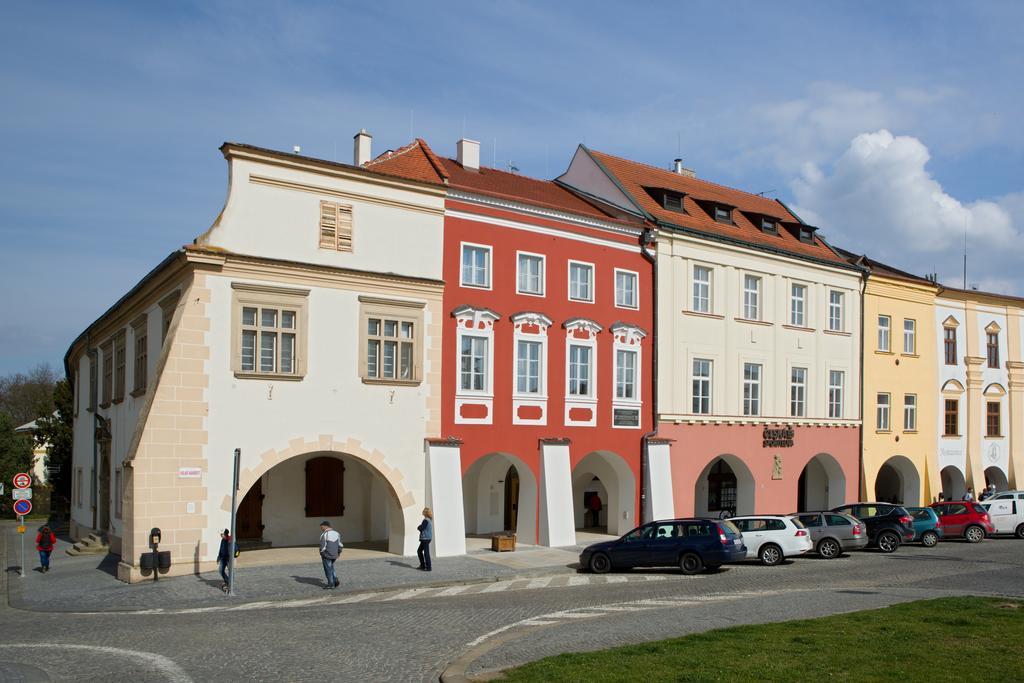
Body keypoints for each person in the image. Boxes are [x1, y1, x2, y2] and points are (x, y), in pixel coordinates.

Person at [319, 520, 342, 589]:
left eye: (321, 527)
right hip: (334, 555)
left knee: (327, 569)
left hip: (327, 555)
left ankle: (331, 584)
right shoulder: (337, 533)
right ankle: (335, 580)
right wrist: (338, 553)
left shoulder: (324, 534)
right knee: (331, 567)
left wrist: (322, 553)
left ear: (325, 526)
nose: (321, 528)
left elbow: (322, 546)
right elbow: (340, 544)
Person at [416, 507, 433, 571]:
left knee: (426, 553)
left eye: (423, 512)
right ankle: (423, 565)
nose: (422, 512)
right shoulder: (429, 520)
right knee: (420, 551)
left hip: (425, 538)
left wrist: (418, 527)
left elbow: (421, 528)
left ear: (425, 513)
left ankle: (428, 567)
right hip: (427, 538)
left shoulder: (425, 520)